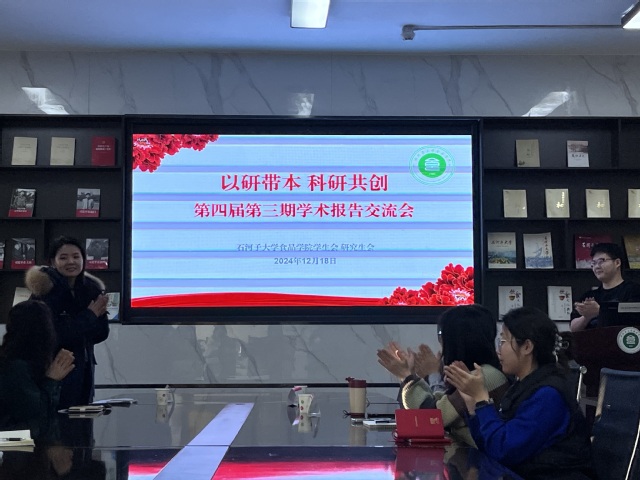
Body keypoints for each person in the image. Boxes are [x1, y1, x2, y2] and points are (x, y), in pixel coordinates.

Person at [444, 307, 595, 480]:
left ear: (527, 347)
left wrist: (482, 400)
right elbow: (489, 446)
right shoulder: (522, 385)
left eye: (503, 341)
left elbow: (504, 450)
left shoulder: (548, 394)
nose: (498, 350)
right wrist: (472, 403)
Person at [377, 304, 510, 446]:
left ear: (457, 341)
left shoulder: (486, 376)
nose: (440, 342)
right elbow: (440, 404)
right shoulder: (478, 372)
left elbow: (431, 417)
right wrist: (416, 375)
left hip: (476, 458)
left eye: (442, 335)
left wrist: (408, 377)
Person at [25, 236, 109, 409]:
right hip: (53, 372)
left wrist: (88, 321)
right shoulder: (44, 292)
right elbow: (52, 335)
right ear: (52, 262)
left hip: (85, 372)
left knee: (83, 421)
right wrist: (90, 316)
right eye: (63, 258)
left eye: (76, 256)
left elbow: (101, 333)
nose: (71, 262)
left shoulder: (90, 288)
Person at [0, 300, 75, 433]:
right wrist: (51, 381)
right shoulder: (16, 368)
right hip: (18, 439)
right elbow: (35, 413)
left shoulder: (12, 361)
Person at [570, 242, 640, 331]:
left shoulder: (634, 291)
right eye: (593, 263)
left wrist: (600, 311)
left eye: (601, 261)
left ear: (617, 262)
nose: (596, 267)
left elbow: (633, 318)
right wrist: (587, 317)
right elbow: (573, 329)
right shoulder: (589, 296)